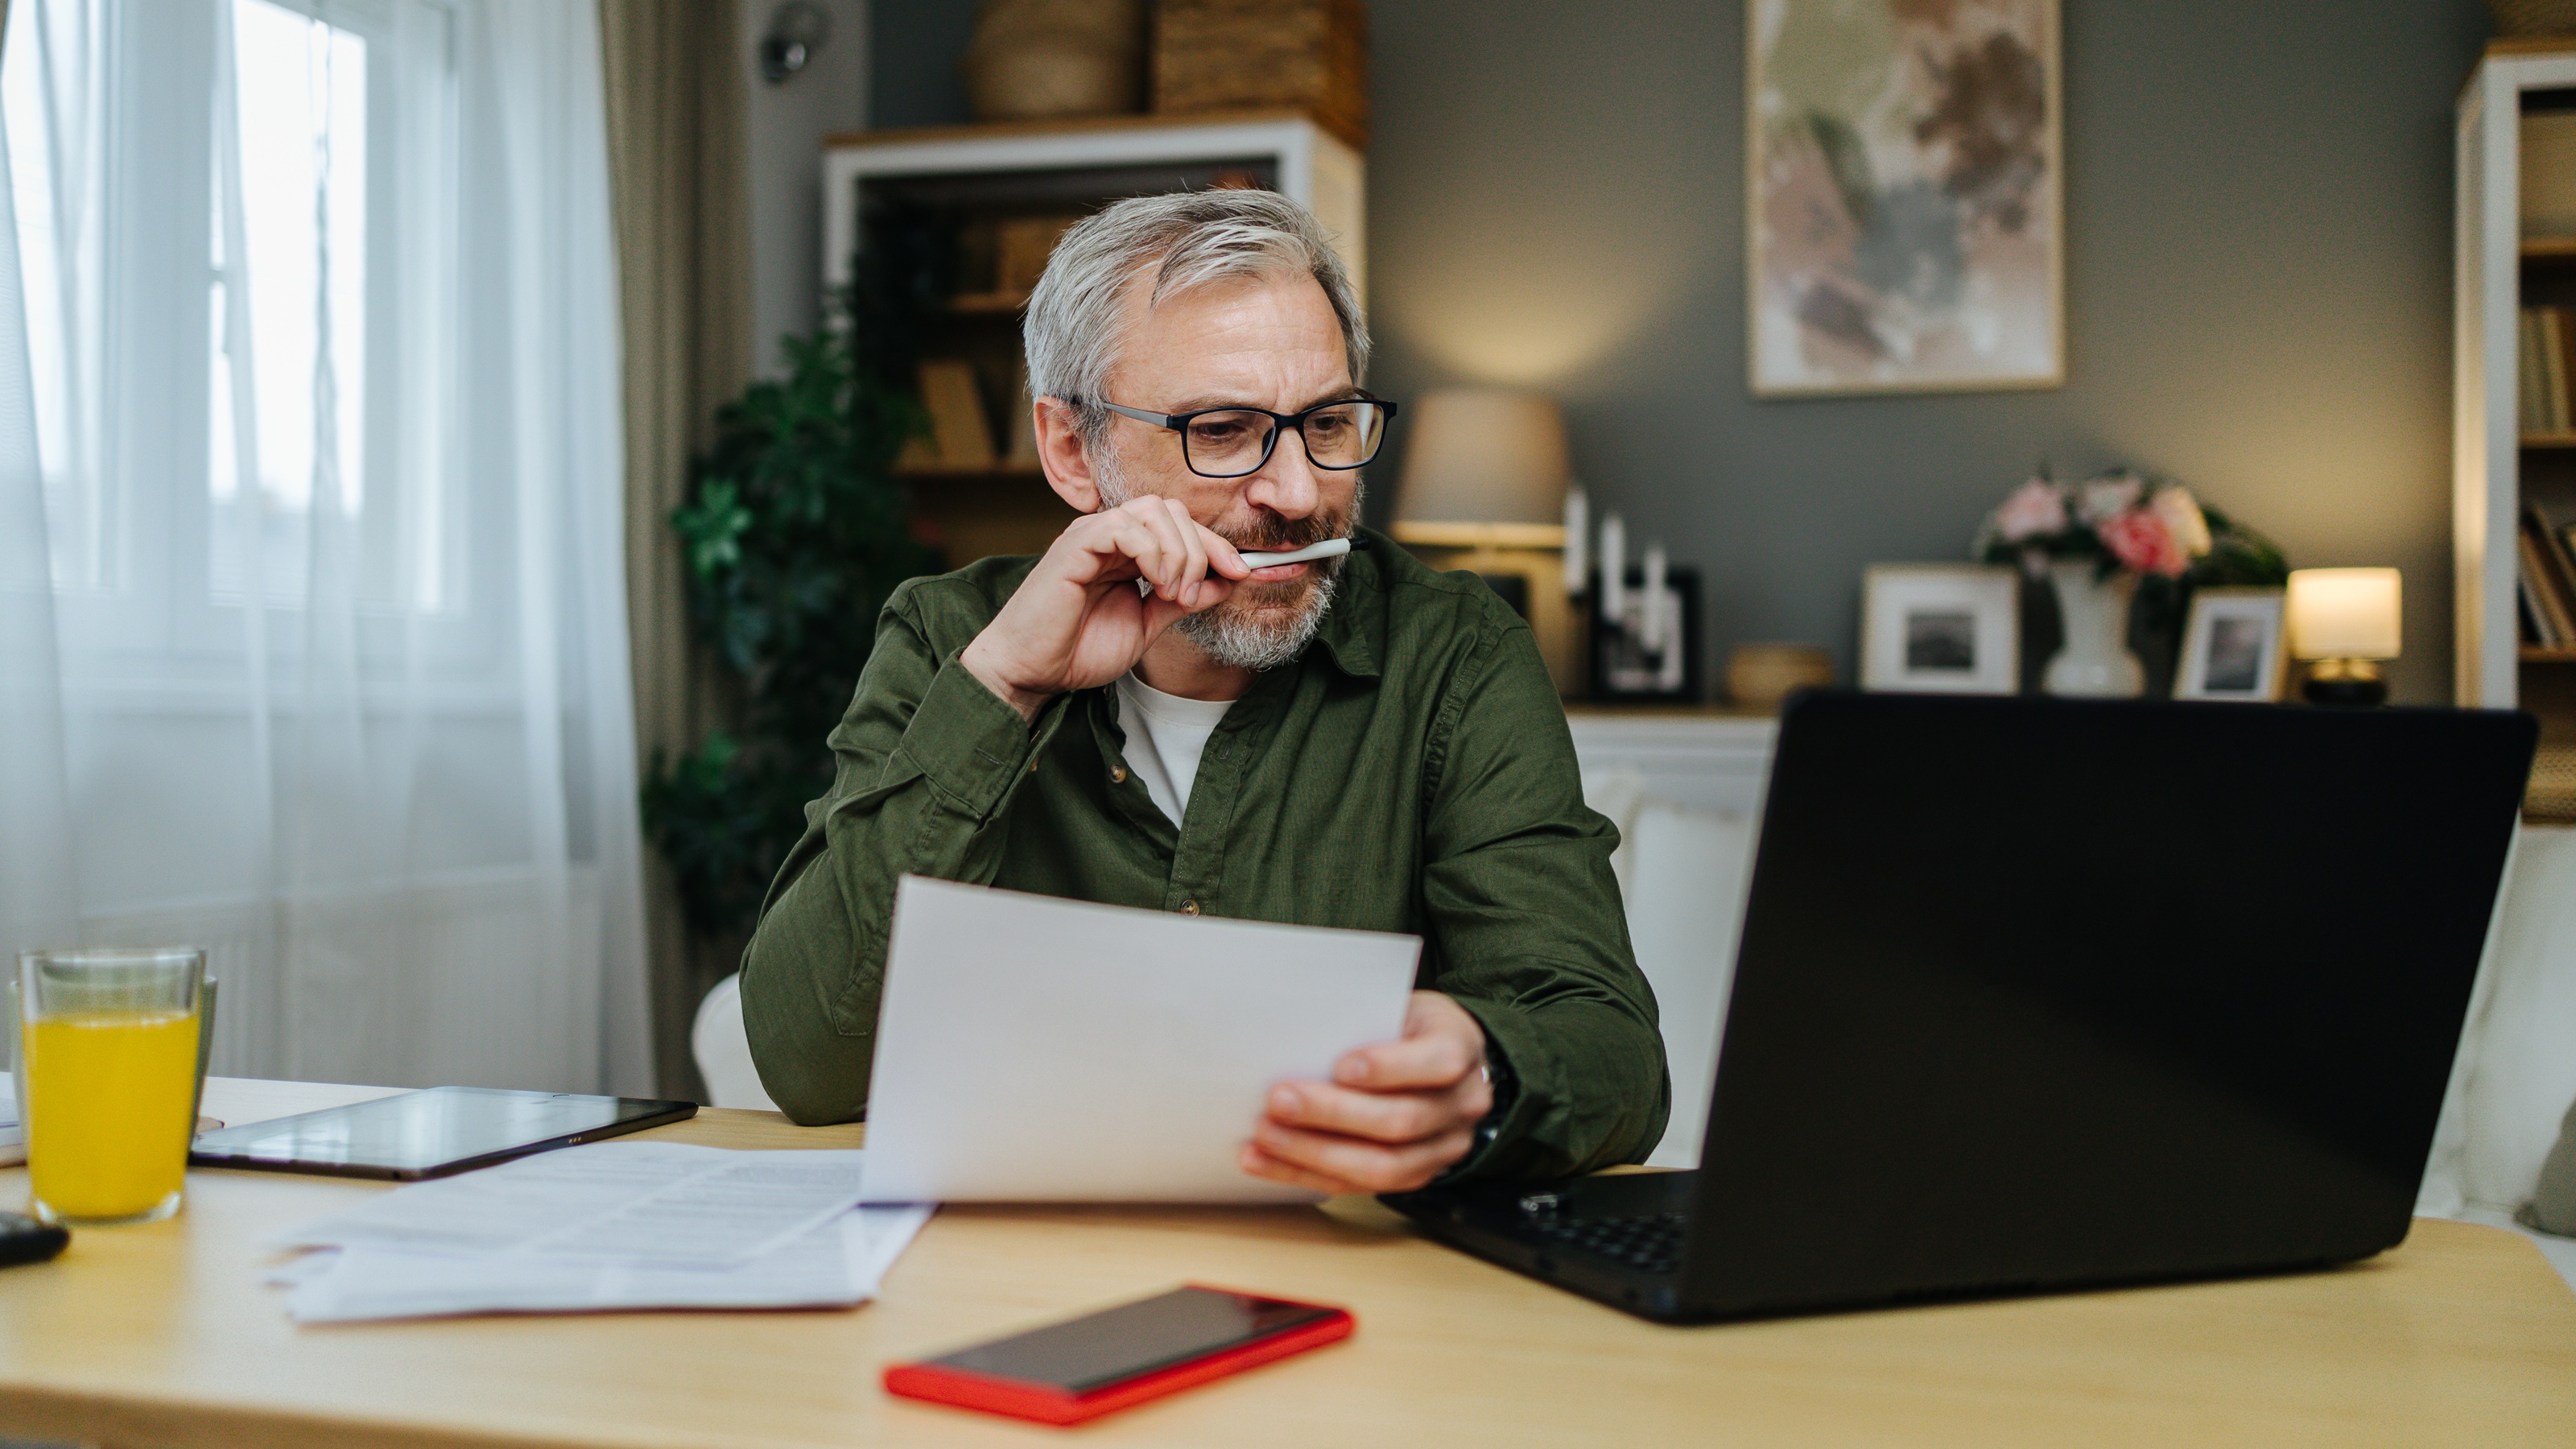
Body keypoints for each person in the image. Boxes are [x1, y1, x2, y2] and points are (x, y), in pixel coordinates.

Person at [739, 188, 1666, 1194]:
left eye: (1326, 422)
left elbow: (1610, 1050)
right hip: (1006, 1274)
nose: (1298, 491)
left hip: (1355, 1281)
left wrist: (1481, 1066)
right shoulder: (952, 641)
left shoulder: (1453, 654)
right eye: (1222, 431)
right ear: (1070, 450)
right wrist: (1002, 688)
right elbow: (806, 1059)